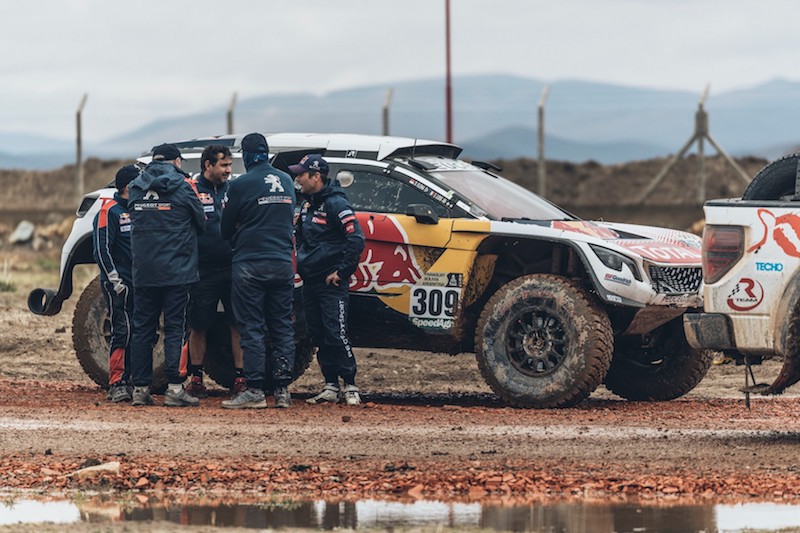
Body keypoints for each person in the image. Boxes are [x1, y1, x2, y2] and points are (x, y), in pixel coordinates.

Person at [220, 132, 296, 409]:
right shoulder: (287, 180)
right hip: (282, 263)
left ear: (247, 156)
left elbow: (225, 229)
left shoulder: (241, 184)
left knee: (251, 327)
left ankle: (254, 391)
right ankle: (283, 390)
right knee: (281, 327)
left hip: (250, 264)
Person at [127, 143, 206, 407]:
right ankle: (174, 389)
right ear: (176, 161)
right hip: (177, 271)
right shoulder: (184, 186)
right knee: (175, 329)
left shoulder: (136, 186)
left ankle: (139, 389)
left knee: (142, 330)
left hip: (144, 270)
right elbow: (201, 221)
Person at [291, 154, 365, 406]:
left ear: (316, 176)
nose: (297, 178)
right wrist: (304, 260)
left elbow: (356, 238)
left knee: (336, 333)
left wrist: (342, 272)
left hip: (331, 284)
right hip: (310, 282)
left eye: (301, 174)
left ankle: (351, 386)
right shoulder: (307, 204)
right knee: (318, 335)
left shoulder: (336, 204)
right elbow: (300, 237)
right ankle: (330, 385)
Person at [184, 144, 246, 399]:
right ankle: (196, 377)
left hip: (232, 267)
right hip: (203, 270)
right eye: (224, 165)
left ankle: (241, 378)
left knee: (237, 323)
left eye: (230, 166)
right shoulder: (192, 189)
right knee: (199, 325)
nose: (228, 171)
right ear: (208, 165)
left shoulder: (234, 189)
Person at [92, 164, 139, 403]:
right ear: (128, 186)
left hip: (139, 282)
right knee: (122, 331)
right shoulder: (109, 210)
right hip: (118, 283)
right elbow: (101, 248)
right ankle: (117, 382)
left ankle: (135, 381)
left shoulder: (140, 208)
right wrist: (114, 278)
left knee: (139, 331)